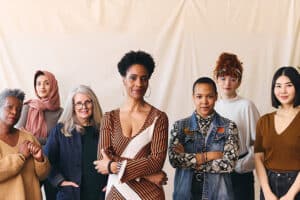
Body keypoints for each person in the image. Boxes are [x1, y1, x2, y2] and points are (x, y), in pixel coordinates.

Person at [94, 50, 169, 200]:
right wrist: (148, 176)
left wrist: (114, 166)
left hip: (149, 195)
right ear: (124, 80)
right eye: (133, 78)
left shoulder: (159, 118)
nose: (139, 84)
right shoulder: (109, 118)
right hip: (117, 193)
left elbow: (156, 162)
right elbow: (102, 159)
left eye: (144, 78)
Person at [169, 77, 239, 200]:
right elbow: (174, 160)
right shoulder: (179, 127)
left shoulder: (229, 127)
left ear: (216, 97)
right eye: (199, 96)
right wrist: (210, 156)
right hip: (185, 194)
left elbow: (229, 163)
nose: (204, 101)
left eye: (209, 96)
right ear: (193, 97)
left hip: (219, 195)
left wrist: (189, 160)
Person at [44, 85, 107, 200]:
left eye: (88, 102)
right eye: (78, 103)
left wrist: (111, 184)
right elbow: (46, 160)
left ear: (94, 104)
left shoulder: (104, 130)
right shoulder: (60, 130)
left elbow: (116, 158)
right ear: (72, 106)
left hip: (100, 195)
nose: (84, 107)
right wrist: (60, 181)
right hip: (70, 195)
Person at [213, 52, 260, 200]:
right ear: (216, 79)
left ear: (239, 81)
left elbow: (260, 142)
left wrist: (242, 165)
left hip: (240, 174)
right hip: (216, 173)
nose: (227, 83)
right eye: (223, 78)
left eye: (233, 79)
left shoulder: (246, 106)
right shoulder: (211, 106)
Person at [15, 70, 63, 199]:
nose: (42, 87)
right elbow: (19, 134)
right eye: (39, 83)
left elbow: (58, 141)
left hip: (50, 162)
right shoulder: (27, 107)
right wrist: (45, 140)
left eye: (46, 83)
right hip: (28, 163)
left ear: (53, 85)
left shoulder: (60, 112)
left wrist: (31, 137)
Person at [254, 66, 300, 200]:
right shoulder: (264, 121)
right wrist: (267, 192)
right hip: (269, 185)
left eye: (289, 85)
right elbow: (258, 158)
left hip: (296, 186)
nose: (283, 91)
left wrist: (291, 195)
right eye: (278, 86)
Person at [0, 88, 50, 200]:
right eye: (9, 107)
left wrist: (40, 160)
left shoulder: (28, 137)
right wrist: (21, 157)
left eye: (19, 109)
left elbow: (43, 175)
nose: (14, 112)